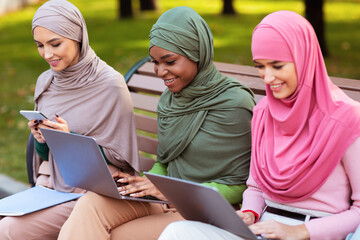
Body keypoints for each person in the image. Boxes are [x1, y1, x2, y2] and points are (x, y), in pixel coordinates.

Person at [158, 10, 360, 240]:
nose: (268, 77)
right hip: (263, 229)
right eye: (260, 66)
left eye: (277, 66)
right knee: (179, 231)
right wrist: (249, 213)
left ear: (304, 58)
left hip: (314, 232)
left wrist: (300, 231)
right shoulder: (264, 111)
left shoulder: (347, 117)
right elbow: (255, 187)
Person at [57, 6, 255, 240]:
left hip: (207, 210)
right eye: (155, 62)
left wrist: (170, 191)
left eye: (169, 61)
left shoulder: (234, 104)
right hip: (166, 198)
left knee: (118, 235)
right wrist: (148, 181)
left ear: (197, 53)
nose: (160, 72)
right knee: (91, 204)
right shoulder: (170, 100)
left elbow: (242, 184)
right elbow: (165, 160)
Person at [0, 0, 139, 239]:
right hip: (50, 186)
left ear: (78, 37)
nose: (47, 54)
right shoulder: (47, 81)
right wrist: (43, 141)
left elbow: (122, 160)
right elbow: (45, 157)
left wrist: (70, 139)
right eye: (40, 45)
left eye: (55, 43)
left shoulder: (109, 85)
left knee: (9, 229)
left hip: (93, 192)